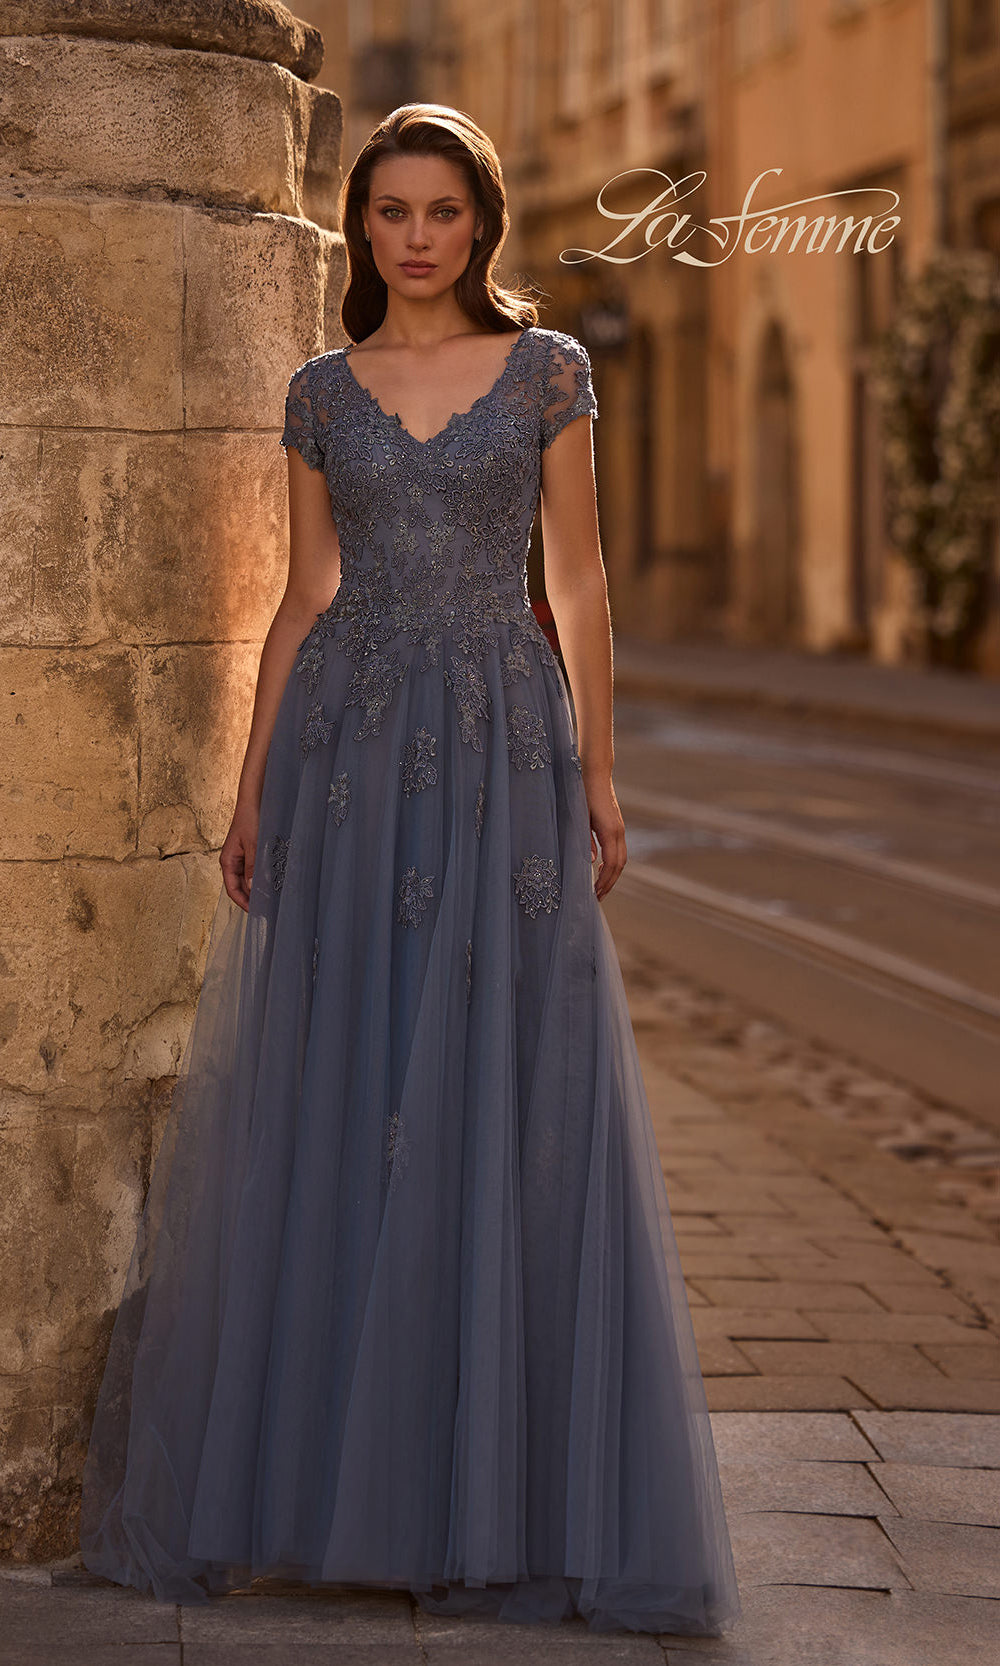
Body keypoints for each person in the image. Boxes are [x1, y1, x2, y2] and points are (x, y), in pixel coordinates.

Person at [79, 103, 741, 1638]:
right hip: (352, 761)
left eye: (443, 210)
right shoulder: (319, 391)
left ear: (484, 224)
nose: (417, 235)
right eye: (390, 211)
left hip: (504, 749)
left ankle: (495, 1487)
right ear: (362, 224)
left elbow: (574, 583)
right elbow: (304, 598)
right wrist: (253, 789)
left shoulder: (550, 375)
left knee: (502, 1087)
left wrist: (601, 774)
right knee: (353, 1093)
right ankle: (338, 1487)